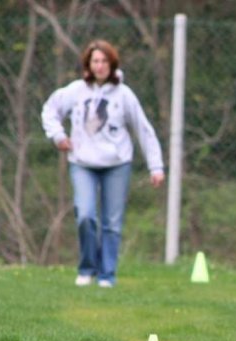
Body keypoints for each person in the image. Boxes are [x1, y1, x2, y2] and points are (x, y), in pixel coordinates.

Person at [41, 39, 165, 288]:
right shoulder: (75, 91)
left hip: (116, 164)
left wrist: (156, 166)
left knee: (111, 222)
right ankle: (87, 269)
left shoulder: (124, 95)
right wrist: (58, 136)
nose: (99, 66)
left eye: (104, 61)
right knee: (85, 215)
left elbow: (143, 129)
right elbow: (50, 110)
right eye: (95, 61)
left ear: (112, 64)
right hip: (82, 162)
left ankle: (107, 275)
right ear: (88, 64)